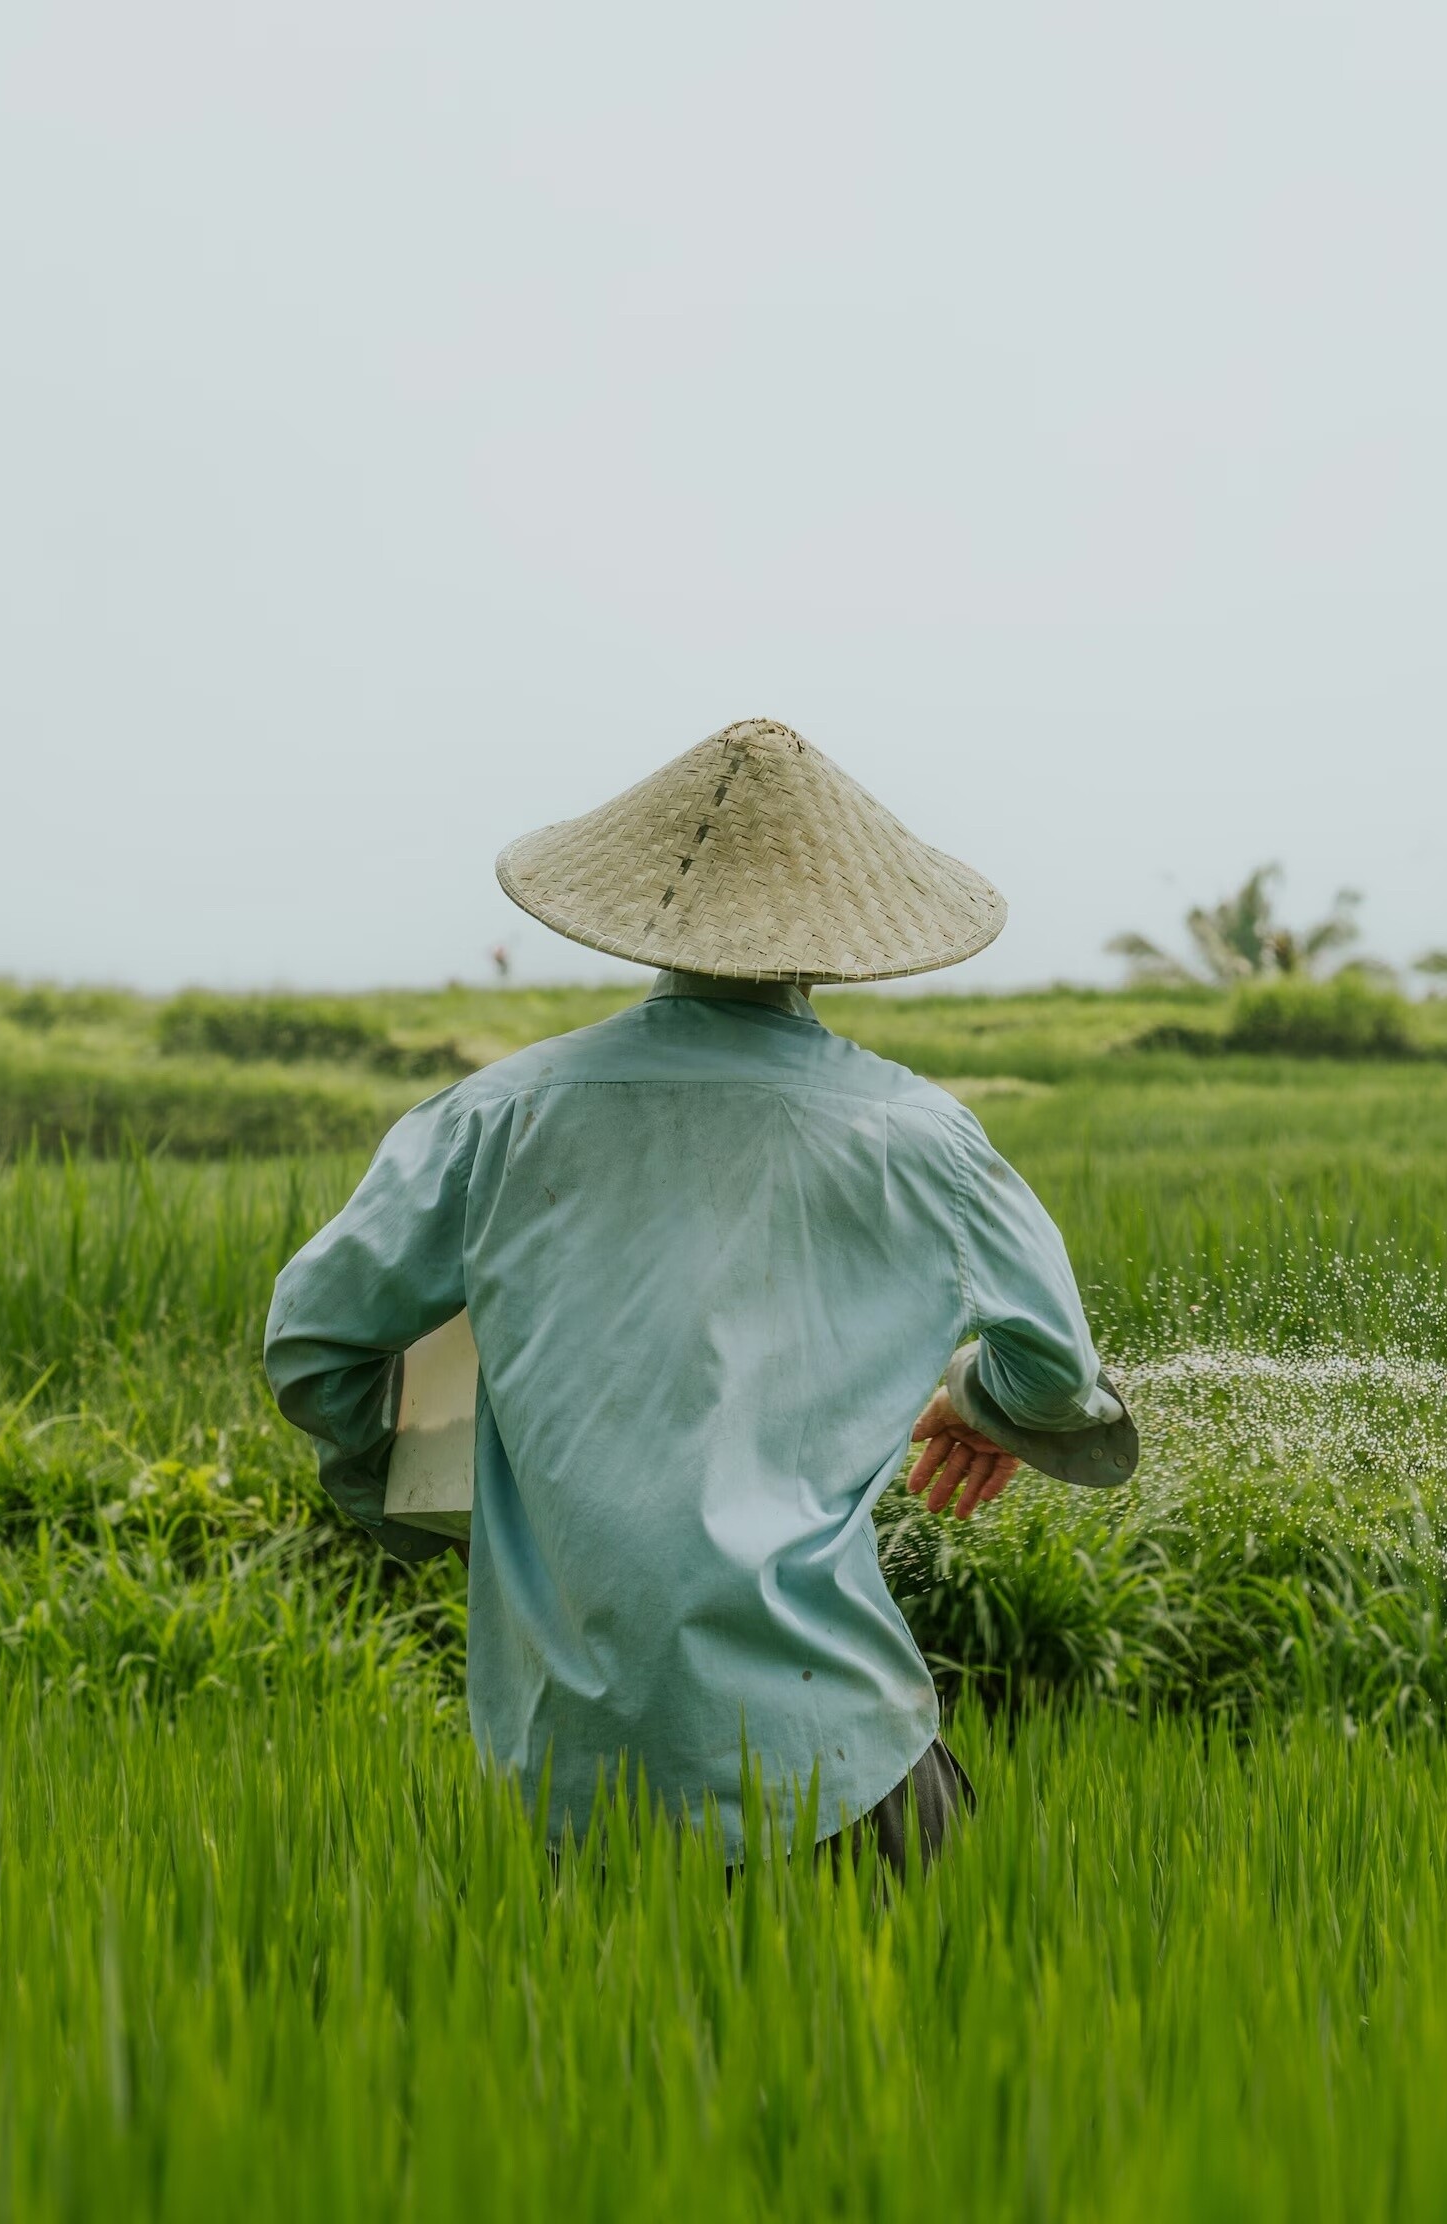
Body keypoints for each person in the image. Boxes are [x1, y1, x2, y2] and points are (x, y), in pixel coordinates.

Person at [263, 718, 1135, 1868]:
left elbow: (313, 1339)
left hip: (569, 1777)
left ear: (651, 920)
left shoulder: (495, 1119)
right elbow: (1060, 1374)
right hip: (839, 1762)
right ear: (836, 937)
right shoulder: (924, 1138)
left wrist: (423, 1492)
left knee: (582, 2048)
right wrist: (984, 1398)